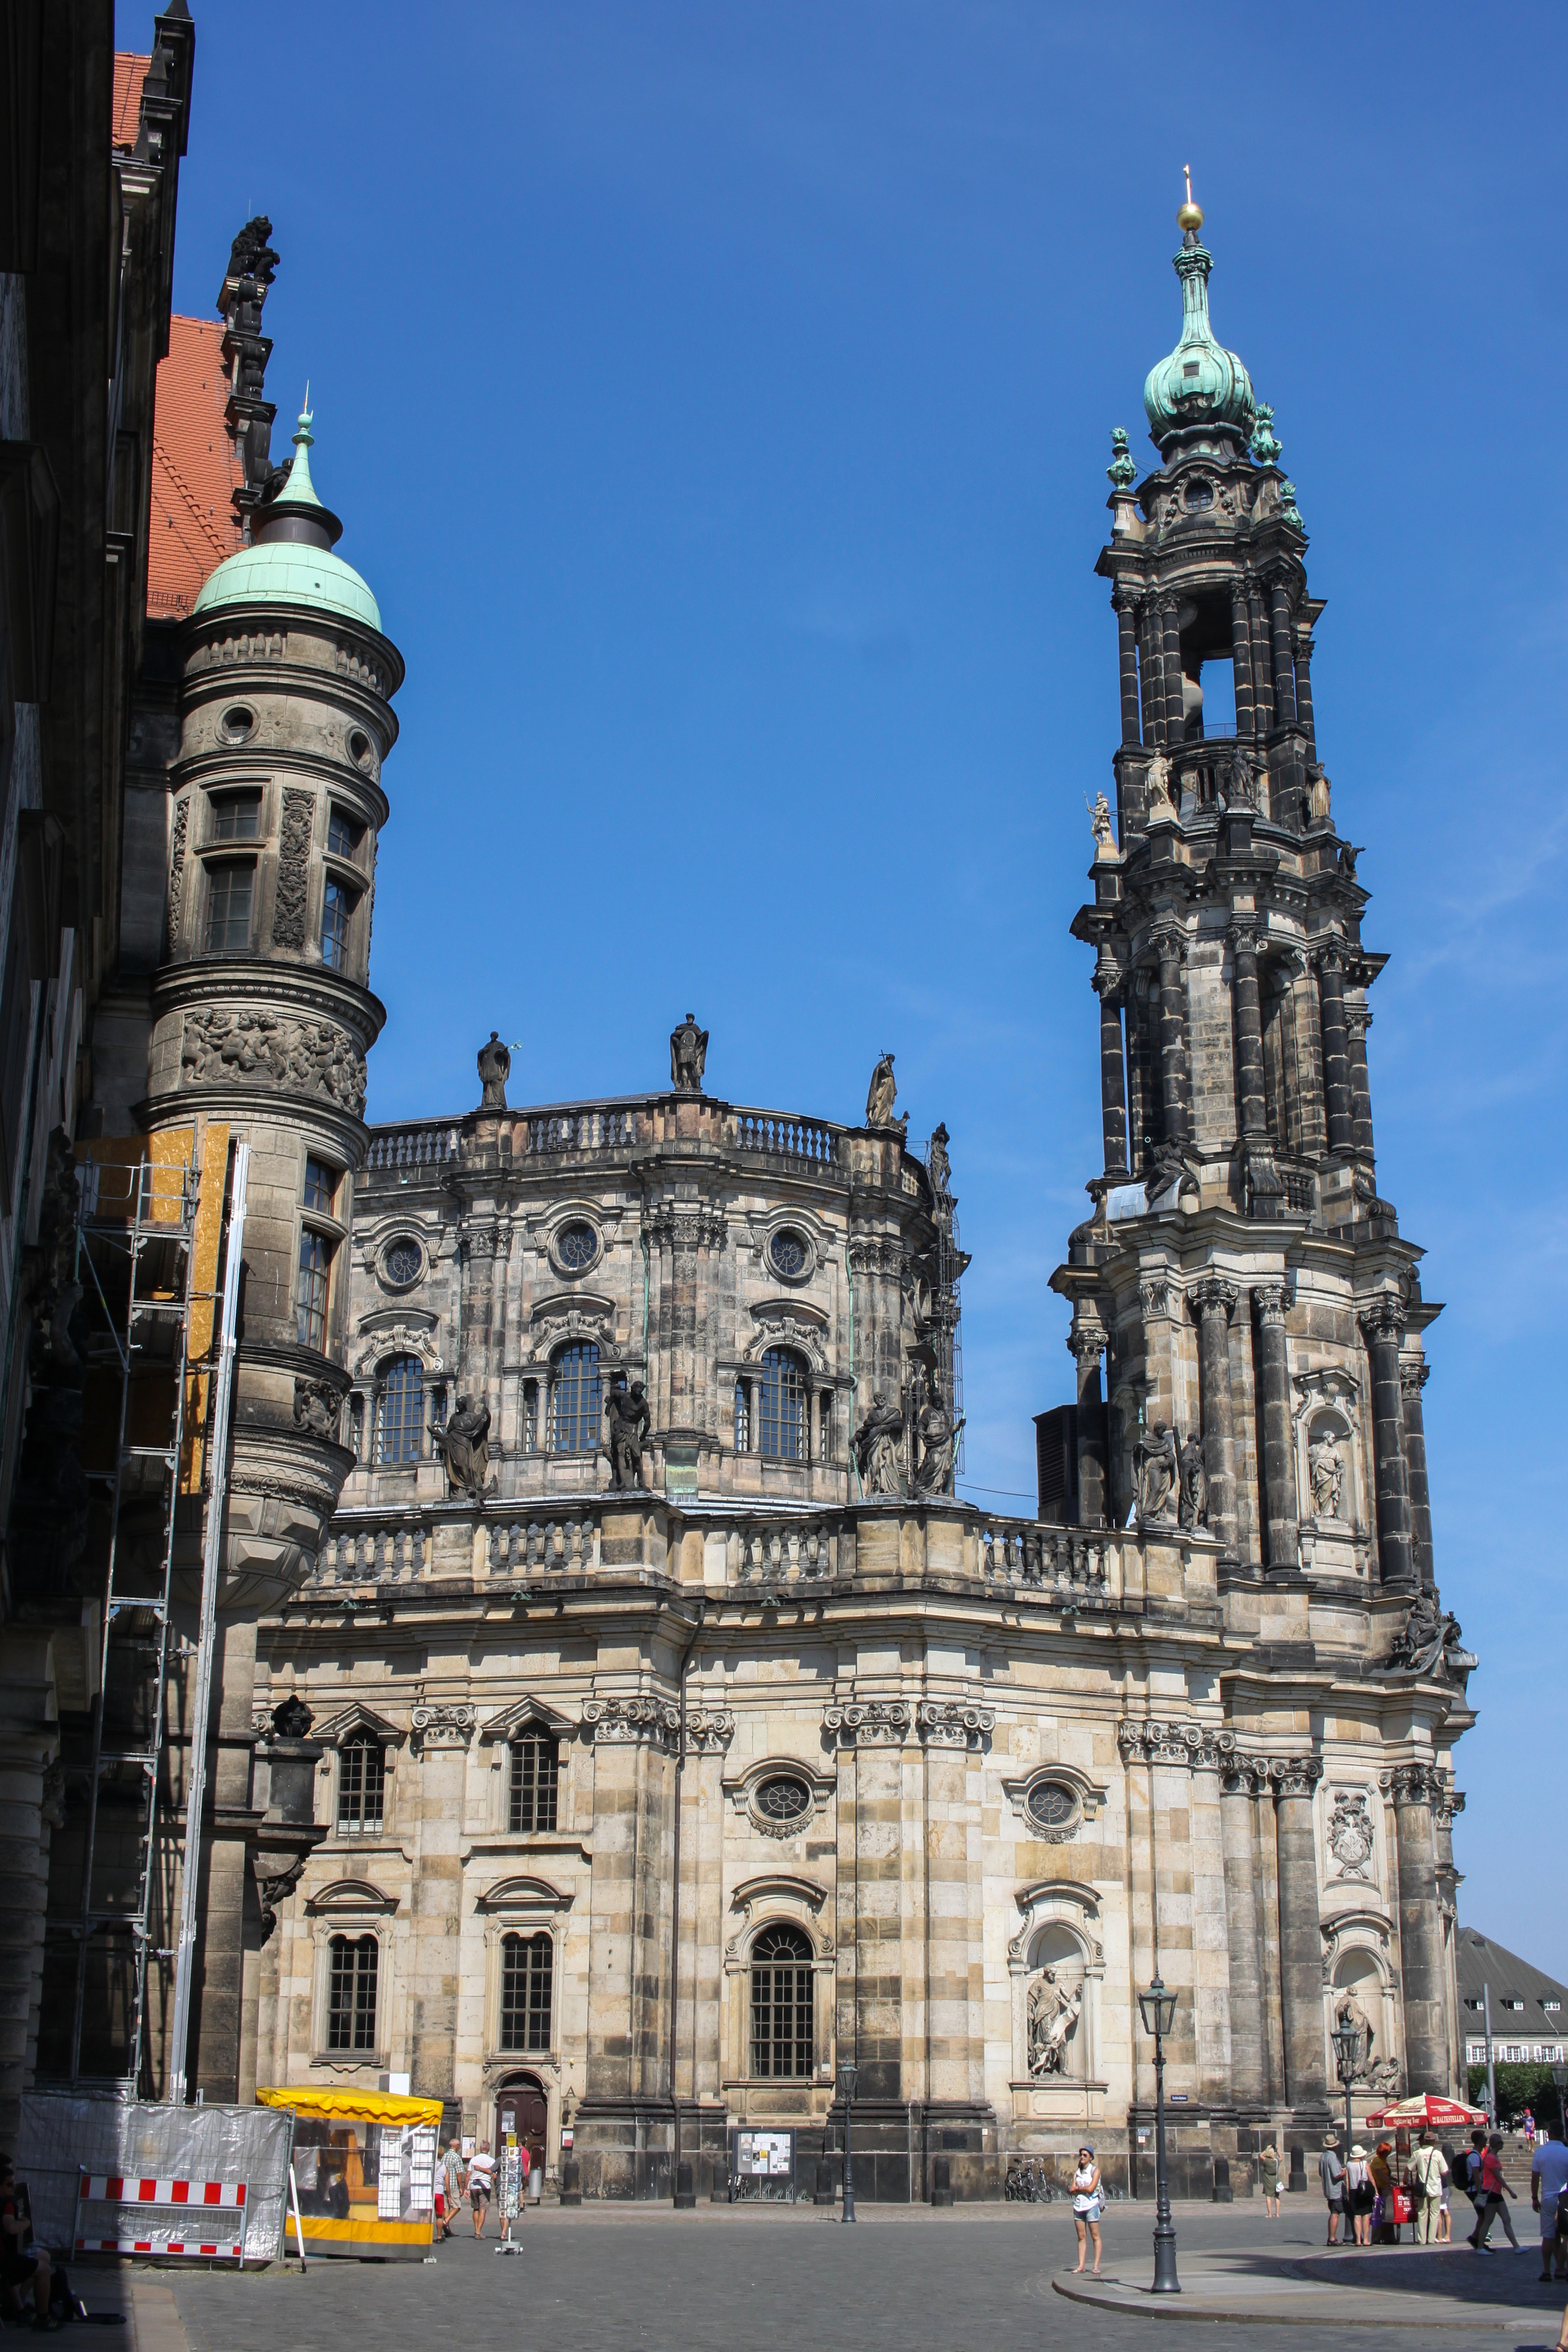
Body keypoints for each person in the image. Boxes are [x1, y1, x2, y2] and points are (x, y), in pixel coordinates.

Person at [0, 2153, 53, 2331]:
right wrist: (25, 2222)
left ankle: (19, 2308)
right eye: (9, 2185)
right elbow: (10, 2228)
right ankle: (42, 2319)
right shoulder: (6, 2204)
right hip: (3, 2260)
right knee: (43, 2268)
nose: (13, 2188)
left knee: (34, 2262)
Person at [1473, 2132, 1522, 2251]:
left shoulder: (1493, 2157)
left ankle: (1517, 2247)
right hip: (1491, 2192)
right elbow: (1498, 2177)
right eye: (1501, 2142)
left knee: (1506, 2219)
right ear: (1496, 2144)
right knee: (1488, 2220)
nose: (1503, 2144)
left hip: (1496, 2192)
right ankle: (1480, 2247)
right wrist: (1510, 2191)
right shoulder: (1490, 2158)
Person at [1534, 2123, 1568, 2282]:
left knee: (1548, 2236)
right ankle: (1561, 2268)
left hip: (1547, 2198)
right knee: (1566, 2236)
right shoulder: (1567, 2152)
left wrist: (1534, 2197)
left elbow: (1535, 2178)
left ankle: (1547, 2270)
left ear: (1549, 2133)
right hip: (1565, 2199)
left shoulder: (1540, 2153)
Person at [1410, 2132, 1448, 2245]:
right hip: (1435, 2187)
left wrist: (1405, 2179)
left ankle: (1422, 2239)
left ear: (1424, 2141)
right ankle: (1431, 2239)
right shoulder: (1438, 2154)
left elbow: (1409, 2167)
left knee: (1422, 2213)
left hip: (1422, 2187)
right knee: (1435, 2214)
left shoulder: (1418, 2153)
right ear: (1433, 2141)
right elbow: (1445, 2171)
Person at [1070, 2146, 1103, 2277]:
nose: (1082, 2157)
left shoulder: (1095, 2171)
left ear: (1091, 2158)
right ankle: (1081, 2265)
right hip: (1078, 2206)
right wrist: (1079, 2188)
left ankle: (1096, 2265)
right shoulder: (1077, 2172)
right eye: (1081, 2155)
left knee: (1095, 2235)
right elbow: (1071, 2190)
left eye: (1085, 2155)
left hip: (1091, 2205)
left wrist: (1078, 2188)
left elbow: (1091, 2189)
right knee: (1081, 2236)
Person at [1318, 2134, 1347, 2244]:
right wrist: (1345, 2171)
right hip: (1335, 2190)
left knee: (1333, 2212)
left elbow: (1321, 2173)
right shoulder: (1332, 2157)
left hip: (1328, 2189)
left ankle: (1331, 2237)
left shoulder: (1323, 2156)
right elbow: (1337, 2175)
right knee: (1336, 2213)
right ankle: (1332, 2238)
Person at [1345, 2144, 1375, 2247]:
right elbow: (1371, 2178)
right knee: (1366, 2216)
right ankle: (1366, 2240)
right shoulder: (1364, 2163)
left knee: (1357, 2216)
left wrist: (1349, 2194)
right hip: (1365, 2191)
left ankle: (1358, 2240)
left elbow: (1348, 2181)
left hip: (1354, 2191)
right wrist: (1376, 2191)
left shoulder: (1349, 2164)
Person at [467, 2139, 495, 2238]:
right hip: (485, 2186)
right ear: (489, 2149)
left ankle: (476, 2229)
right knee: (483, 2209)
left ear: (480, 2148)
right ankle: (478, 2231)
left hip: (474, 2185)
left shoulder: (474, 2159)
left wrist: (466, 2188)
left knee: (476, 2209)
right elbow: (494, 2175)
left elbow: (468, 2174)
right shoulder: (492, 2161)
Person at [439, 2138, 464, 2241]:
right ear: (457, 2146)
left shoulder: (444, 2156)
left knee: (446, 2207)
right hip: (453, 2185)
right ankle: (446, 2222)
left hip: (444, 2184)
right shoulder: (456, 2157)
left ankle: (447, 2229)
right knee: (457, 2206)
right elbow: (459, 2173)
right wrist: (461, 2186)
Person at [1259, 2143, 1282, 2221]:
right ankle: (1278, 2213)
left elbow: (1261, 2155)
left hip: (1268, 2179)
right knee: (1277, 2196)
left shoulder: (1266, 2161)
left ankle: (1270, 2214)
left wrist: (1267, 2149)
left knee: (1268, 2197)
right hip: (1275, 2179)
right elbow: (1281, 2158)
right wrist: (1277, 2150)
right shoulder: (1276, 2161)